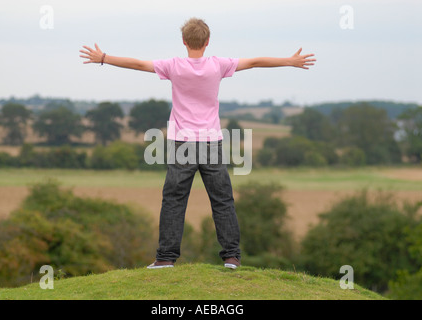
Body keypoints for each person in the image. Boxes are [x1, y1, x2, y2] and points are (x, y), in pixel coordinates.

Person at [80, 17, 316, 270]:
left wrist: (103, 57)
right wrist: (290, 62)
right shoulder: (218, 65)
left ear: (184, 41)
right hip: (211, 143)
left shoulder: (173, 66)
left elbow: (138, 64)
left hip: (182, 143)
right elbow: (256, 62)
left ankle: (165, 258)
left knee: (174, 200)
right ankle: (232, 257)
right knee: (222, 200)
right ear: (208, 41)